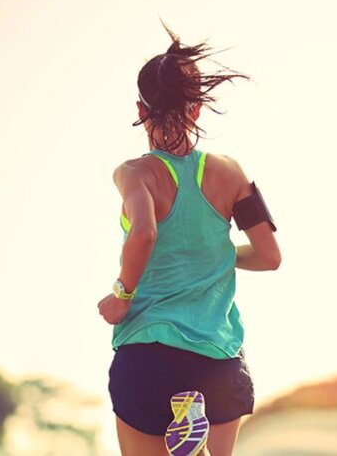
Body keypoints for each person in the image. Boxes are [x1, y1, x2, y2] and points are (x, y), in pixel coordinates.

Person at [97, 22, 281, 456]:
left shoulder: (134, 174)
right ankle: (193, 429)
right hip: (218, 358)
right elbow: (269, 256)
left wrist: (122, 294)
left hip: (149, 352)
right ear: (196, 109)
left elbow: (145, 231)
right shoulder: (231, 173)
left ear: (140, 109)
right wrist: (214, 252)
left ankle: (186, 426)